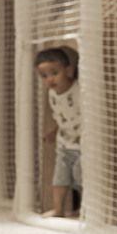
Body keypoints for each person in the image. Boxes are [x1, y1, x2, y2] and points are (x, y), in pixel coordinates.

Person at [37, 45, 82, 219]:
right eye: (44, 76)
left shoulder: (78, 90)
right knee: (60, 178)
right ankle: (58, 209)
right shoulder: (52, 94)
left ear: (69, 70)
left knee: (80, 176)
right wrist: (54, 132)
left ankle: (85, 208)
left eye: (54, 73)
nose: (50, 79)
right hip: (64, 143)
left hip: (83, 143)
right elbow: (61, 116)